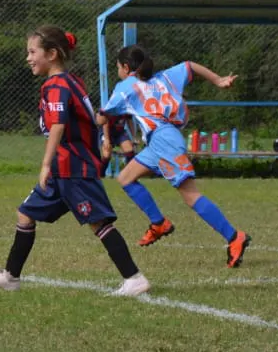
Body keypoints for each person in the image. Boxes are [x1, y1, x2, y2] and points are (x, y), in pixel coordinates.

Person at [0, 26, 149, 296]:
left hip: (73, 168)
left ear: (52, 54)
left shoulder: (57, 85)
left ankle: (134, 278)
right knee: (26, 214)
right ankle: (10, 277)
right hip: (63, 168)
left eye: (33, 52)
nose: (28, 58)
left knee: (98, 223)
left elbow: (58, 125)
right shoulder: (71, 81)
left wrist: (45, 164)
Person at [98, 45, 251, 267]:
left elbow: (102, 117)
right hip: (159, 141)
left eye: (118, 67)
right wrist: (218, 80)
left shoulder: (126, 87)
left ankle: (234, 236)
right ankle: (158, 223)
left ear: (126, 67)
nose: (118, 72)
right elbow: (190, 66)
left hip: (165, 141)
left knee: (191, 195)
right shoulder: (164, 77)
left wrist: (92, 116)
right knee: (125, 178)